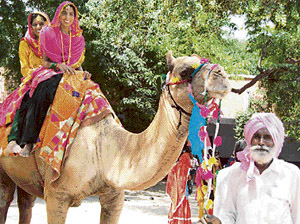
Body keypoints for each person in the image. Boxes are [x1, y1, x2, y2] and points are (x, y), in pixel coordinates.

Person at [16, 1, 88, 156]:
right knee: (43, 90)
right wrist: (58, 66)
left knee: (92, 89)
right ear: (58, 15)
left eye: (71, 13)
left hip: (72, 74)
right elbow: (45, 62)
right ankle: (28, 142)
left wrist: (83, 74)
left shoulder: (78, 38)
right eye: (64, 13)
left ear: (75, 17)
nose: (67, 17)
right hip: (52, 72)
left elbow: (77, 64)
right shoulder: (48, 34)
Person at [201, 113, 300, 224]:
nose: (261, 142)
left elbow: (297, 217)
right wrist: (219, 222)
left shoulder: (291, 174)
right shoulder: (234, 174)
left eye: (267, 137)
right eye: (256, 137)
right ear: (249, 140)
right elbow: (228, 214)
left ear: (275, 141)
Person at [0, 12, 50, 153]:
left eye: (42, 23)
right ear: (31, 27)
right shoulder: (25, 43)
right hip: (32, 80)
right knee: (25, 100)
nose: (39, 27)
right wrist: (38, 74)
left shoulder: (53, 42)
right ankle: (14, 139)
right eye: (35, 24)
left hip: (51, 77)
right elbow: (24, 69)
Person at [167, 152, 192, 224]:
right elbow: (189, 177)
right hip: (184, 191)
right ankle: (182, 220)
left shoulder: (175, 166)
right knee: (183, 205)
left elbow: (171, 176)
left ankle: (174, 220)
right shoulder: (186, 168)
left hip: (175, 191)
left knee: (175, 204)